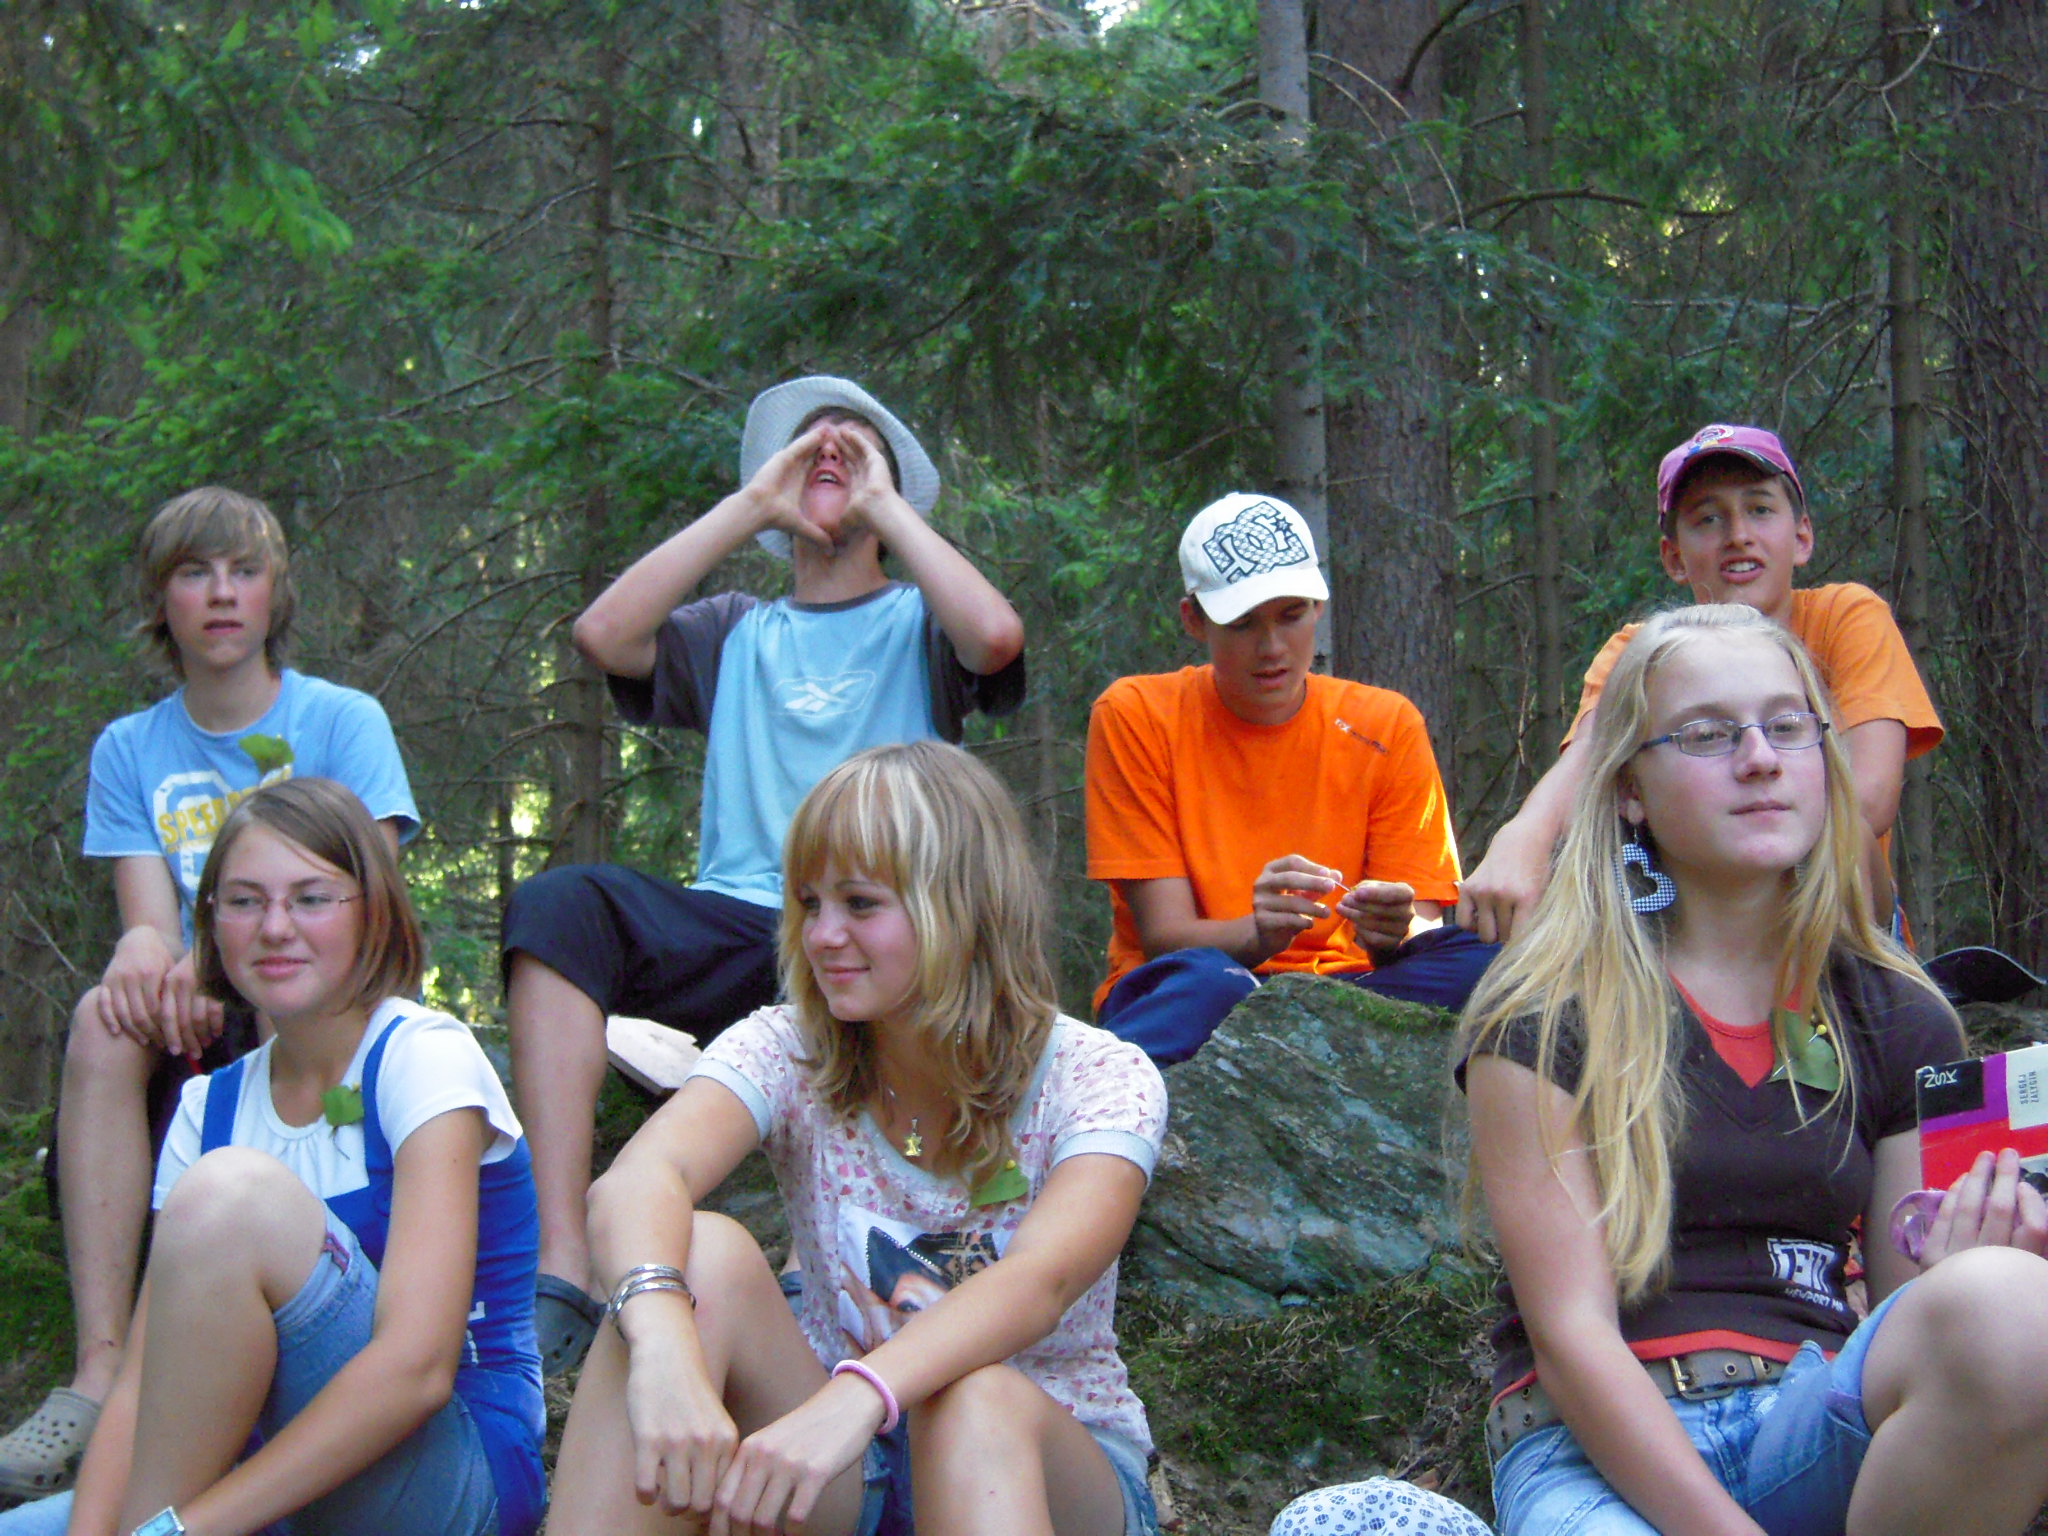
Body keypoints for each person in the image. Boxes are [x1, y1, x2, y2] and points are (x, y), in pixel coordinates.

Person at [1457, 603, 2048, 1535]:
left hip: (1811, 1424)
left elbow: (1908, 1319)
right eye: (1707, 734)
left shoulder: (1896, 1014)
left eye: (1788, 726)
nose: (1761, 759)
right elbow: (1571, 1340)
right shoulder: (1545, 1008)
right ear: (1629, 790)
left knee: (2014, 1307)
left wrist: (1971, 1268)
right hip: (1594, 1452)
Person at [501, 376, 1025, 1375]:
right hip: (740, 918)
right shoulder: (734, 628)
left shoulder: (921, 620)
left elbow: (995, 639)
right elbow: (603, 636)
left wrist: (883, 506)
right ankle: (562, 1258)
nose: (828, 457)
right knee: (558, 906)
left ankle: (808, 1263)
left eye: (854, 449)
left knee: (873, 949)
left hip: (881, 932)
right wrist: (751, 505)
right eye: (806, 448)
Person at [545, 741, 1166, 1536]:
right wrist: (662, 1344)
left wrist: (860, 1394)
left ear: (962, 905)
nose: (823, 935)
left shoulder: (1097, 1076)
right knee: (693, 1256)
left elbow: (1039, 1282)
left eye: (861, 904)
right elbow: (640, 1178)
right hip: (841, 1467)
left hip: (1044, 1468)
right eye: (809, 903)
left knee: (974, 1401)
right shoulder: (790, 1047)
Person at [0, 490, 419, 1501]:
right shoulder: (130, 748)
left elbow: (359, 908)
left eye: (243, 571)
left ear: (277, 594)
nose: (221, 594)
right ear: (162, 600)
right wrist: (159, 960)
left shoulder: (340, 721)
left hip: (324, 988)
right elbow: (147, 922)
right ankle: (101, 1368)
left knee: (281, 991)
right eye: (195, 573)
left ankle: (298, 1301)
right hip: (200, 986)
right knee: (102, 1020)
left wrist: (219, 963)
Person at [0, 779, 540, 1536]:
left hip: (448, 1479)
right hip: (257, 1492)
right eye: (245, 902)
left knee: (232, 1195)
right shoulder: (207, 1109)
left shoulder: (422, 1058)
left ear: (374, 911)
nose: (275, 927)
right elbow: (142, 1385)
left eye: (312, 899)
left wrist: (177, 1532)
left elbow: (417, 1372)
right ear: (212, 924)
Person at [1457, 424, 1941, 947]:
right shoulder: (1640, 650)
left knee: (1843, 828)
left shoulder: (1844, 616)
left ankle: (1833, 983)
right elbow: (1589, 762)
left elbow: (1869, 797)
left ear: (1802, 536)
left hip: (1834, 914)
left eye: (1760, 509)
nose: (1738, 534)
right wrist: (1521, 838)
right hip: (1684, 918)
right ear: (1673, 557)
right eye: (1708, 518)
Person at [1084, 492, 1495, 1066]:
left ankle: (1310, 1049)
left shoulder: (1386, 725)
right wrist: (1256, 935)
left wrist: (1389, 930)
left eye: (1291, 615)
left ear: (1318, 606)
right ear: (1194, 620)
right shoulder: (1137, 715)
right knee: (1209, 983)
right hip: (1198, 985)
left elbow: (1417, 928)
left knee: (1490, 968)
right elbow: (1164, 937)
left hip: (1349, 991)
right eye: (1243, 623)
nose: (1272, 648)